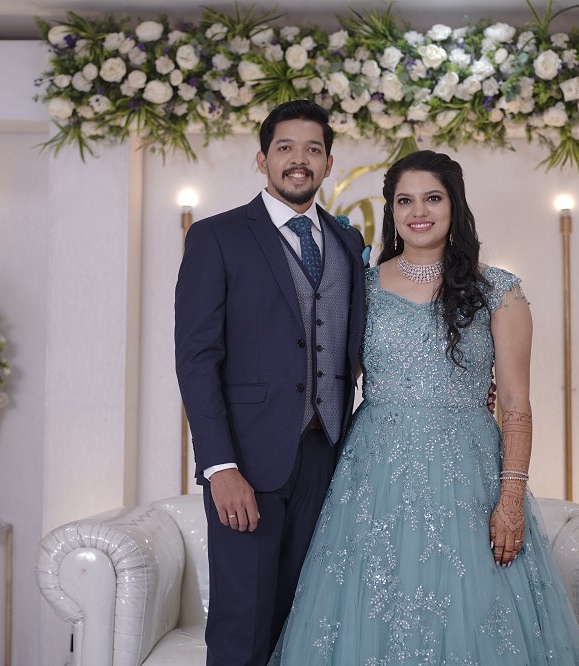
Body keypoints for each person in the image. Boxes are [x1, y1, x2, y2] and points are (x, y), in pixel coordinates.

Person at [269, 150, 579, 664]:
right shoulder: (360, 287)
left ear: (455, 205)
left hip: (468, 477)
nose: (418, 211)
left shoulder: (498, 291)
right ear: (391, 211)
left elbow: (515, 404)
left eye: (433, 198)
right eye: (405, 201)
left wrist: (510, 501)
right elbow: (328, 379)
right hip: (372, 478)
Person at [174, 99, 367, 666]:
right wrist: (220, 467)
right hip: (247, 464)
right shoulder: (217, 237)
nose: (298, 160)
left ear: (328, 163)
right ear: (262, 159)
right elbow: (196, 359)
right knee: (243, 625)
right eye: (285, 147)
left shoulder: (349, 243)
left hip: (327, 458)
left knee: (309, 624)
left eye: (312, 149)